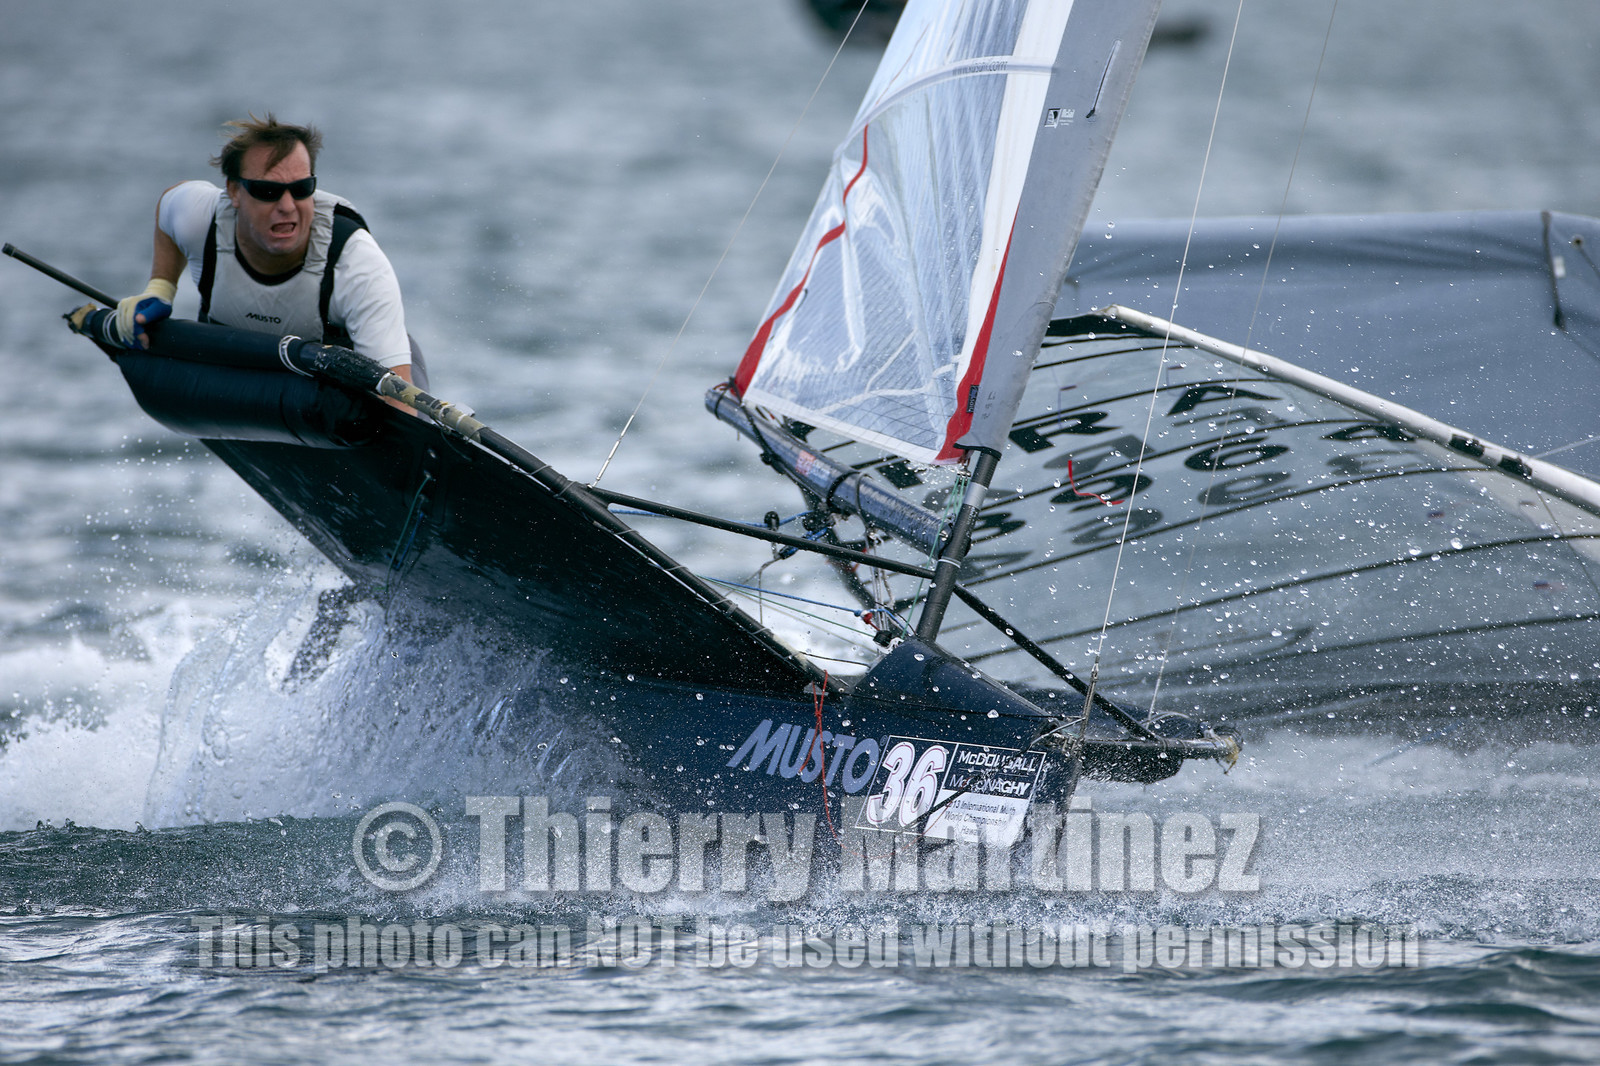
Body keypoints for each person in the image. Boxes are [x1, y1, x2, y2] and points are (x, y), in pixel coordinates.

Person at [113, 114, 425, 389]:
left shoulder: (355, 261)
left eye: (302, 189)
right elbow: (168, 204)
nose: (287, 207)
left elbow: (398, 395)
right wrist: (160, 288)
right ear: (234, 191)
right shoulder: (202, 219)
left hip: (364, 374)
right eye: (268, 192)